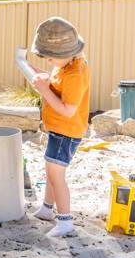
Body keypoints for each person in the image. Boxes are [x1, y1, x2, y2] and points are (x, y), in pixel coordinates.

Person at [29, 17, 90, 237]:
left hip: (66, 132)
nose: (48, 62)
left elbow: (68, 110)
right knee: (50, 170)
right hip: (59, 129)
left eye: (50, 58)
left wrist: (44, 91)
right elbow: (56, 85)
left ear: (64, 54)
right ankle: (47, 208)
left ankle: (65, 222)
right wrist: (41, 78)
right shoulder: (65, 65)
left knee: (56, 176)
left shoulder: (75, 74)